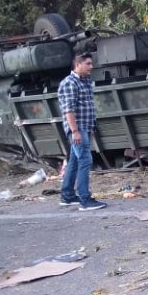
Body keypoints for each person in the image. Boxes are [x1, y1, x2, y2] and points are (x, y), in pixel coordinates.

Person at [58, 52, 106, 211]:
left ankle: (68, 196)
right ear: (78, 65)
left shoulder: (85, 81)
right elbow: (69, 110)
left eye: (91, 64)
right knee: (85, 160)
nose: (91, 67)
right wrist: (75, 131)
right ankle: (85, 200)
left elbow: (87, 106)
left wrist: (90, 127)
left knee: (75, 161)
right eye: (88, 64)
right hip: (77, 129)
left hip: (84, 127)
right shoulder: (70, 83)